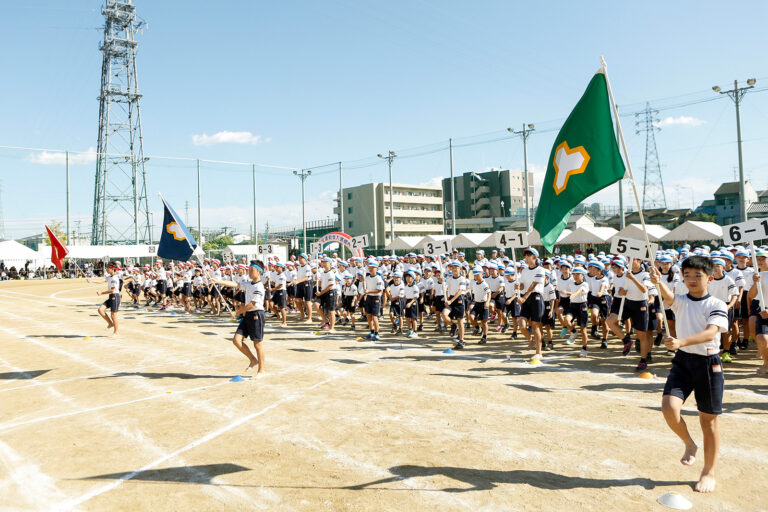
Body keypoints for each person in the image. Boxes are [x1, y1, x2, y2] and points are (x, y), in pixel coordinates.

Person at [650, 255, 727, 494]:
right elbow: (670, 299)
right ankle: (689, 444)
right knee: (669, 408)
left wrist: (681, 340)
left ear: (710, 278)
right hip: (683, 362)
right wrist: (657, 281)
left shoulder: (717, 304)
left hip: (708, 364)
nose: (692, 280)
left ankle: (708, 472)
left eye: (698, 276)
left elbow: (711, 332)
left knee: (708, 421)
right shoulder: (681, 300)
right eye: (687, 275)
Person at [213, 261, 267, 377]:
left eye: (252, 270)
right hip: (247, 315)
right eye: (249, 270)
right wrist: (217, 281)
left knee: (257, 343)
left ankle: (261, 370)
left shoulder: (259, 286)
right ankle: (253, 360)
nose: (249, 272)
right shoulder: (249, 284)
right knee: (236, 340)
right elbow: (235, 284)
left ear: (259, 272)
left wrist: (237, 312)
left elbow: (253, 304)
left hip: (256, 314)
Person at [517, 248, 546, 360]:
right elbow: (524, 286)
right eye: (525, 256)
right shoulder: (524, 271)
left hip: (536, 298)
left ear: (534, 257)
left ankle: (538, 352)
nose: (526, 258)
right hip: (526, 298)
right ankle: (531, 340)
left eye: (528, 255)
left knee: (535, 325)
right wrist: (519, 286)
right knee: (522, 324)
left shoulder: (540, 270)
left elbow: (533, 285)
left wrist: (524, 297)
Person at [468, 266, 491, 345]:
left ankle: (484, 337)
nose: (476, 276)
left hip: (484, 304)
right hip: (477, 303)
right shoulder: (474, 283)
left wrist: (487, 302)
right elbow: (473, 292)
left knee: (484, 322)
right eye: (475, 275)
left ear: (482, 274)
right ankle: (478, 328)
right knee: (471, 317)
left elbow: (489, 293)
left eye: (478, 275)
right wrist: (473, 299)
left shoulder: (484, 284)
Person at [96, 263, 121, 336]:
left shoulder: (114, 278)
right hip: (111, 297)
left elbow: (112, 290)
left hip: (115, 296)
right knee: (100, 310)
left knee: (113, 315)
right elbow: (102, 281)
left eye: (108, 268)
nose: (107, 269)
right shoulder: (109, 276)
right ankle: (110, 323)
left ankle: (116, 332)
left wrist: (101, 293)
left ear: (113, 269)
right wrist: (91, 281)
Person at [363, 260, 385, 341]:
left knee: (374, 316)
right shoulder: (367, 278)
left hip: (376, 298)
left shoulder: (378, 278)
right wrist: (366, 291)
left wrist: (369, 291)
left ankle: (377, 333)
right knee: (368, 315)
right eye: (369, 268)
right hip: (369, 297)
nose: (371, 269)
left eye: (373, 268)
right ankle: (371, 331)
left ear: (376, 268)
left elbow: (379, 290)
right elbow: (365, 287)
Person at [403, 271, 421, 338]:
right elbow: (405, 295)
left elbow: (415, 297)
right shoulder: (406, 286)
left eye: (409, 277)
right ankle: (410, 329)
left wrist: (410, 303)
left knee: (413, 318)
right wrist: (405, 303)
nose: (407, 278)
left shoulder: (415, 287)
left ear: (413, 278)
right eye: (406, 277)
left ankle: (415, 331)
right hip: (408, 301)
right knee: (407, 317)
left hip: (413, 302)